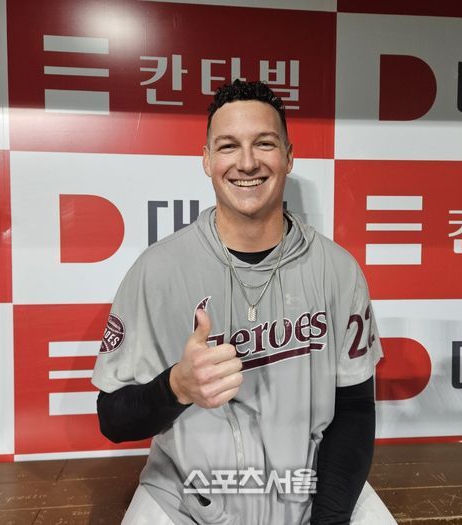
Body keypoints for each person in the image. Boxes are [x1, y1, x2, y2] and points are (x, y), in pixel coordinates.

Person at [92, 79, 395, 524]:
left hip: (309, 492)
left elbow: (354, 409)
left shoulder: (337, 269)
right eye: (228, 146)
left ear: (288, 156)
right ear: (207, 159)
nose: (247, 162)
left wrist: (327, 520)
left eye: (264, 143)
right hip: (185, 499)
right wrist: (176, 387)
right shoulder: (156, 271)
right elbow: (113, 420)